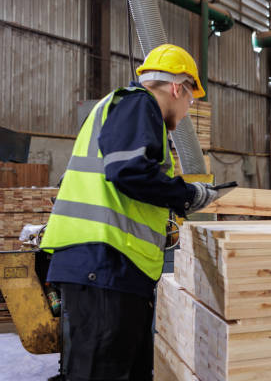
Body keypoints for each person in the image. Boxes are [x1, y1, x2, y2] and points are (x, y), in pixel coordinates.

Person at [40, 44, 217, 380]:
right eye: (191, 100)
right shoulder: (140, 104)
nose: (188, 110)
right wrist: (186, 194)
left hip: (110, 267)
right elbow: (128, 172)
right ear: (177, 87)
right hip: (104, 264)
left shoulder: (123, 110)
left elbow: (120, 182)